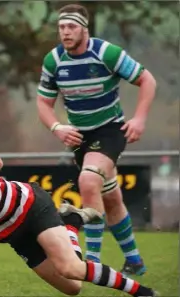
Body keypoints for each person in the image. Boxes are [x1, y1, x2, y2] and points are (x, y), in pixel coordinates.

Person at [0, 142, 157, 297]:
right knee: (73, 288)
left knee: (71, 268)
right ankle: (71, 222)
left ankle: (142, 292)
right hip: (16, 237)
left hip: (32, 209)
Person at [36, 4, 156, 275]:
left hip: (109, 130)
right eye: (61, 28)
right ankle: (134, 260)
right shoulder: (54, 61)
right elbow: (43, 103)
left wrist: (139, 119)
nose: (65, 33)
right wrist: (56, 127)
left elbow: (147, 80)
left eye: (71, 27)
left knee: (88, 181)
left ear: (84, 28)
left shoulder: (107, 53)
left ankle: (91, 261)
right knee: (109, 196)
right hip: (80, 137)